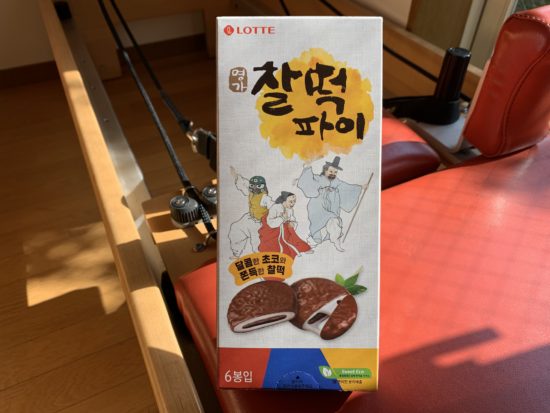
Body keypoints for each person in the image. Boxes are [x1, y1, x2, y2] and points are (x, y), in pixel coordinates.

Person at [297, 156, 363, 252]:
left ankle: (335, 241)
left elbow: (347, 188)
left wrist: (361, 187)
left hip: (331, 207)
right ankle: (310, 245)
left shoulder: (337, 182)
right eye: (331, 171)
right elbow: (308, 180)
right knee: (321, 226)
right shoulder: (318, 178)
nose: (333, 174)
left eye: (335, 172)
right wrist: (308, 166)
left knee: (332, 222)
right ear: (325, 170)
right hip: (318, 207)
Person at [228, 166, 272, 258]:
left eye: (258, 186)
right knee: (236, 229)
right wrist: (236, 176)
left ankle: (261, 257)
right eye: (252, 186)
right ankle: (236, 252)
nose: (255, 188)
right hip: (250, 217)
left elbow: (273, 206)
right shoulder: (251, 192)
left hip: (260, 222)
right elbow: (244, 184)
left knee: (257, 241)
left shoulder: (265, 197)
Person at [258, 191, 311, 259]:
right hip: (273, 231)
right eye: (290, 202)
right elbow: (270, 223)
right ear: (284, 201)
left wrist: (292, 223)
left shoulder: (290, 210)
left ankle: (302, 249)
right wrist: (282, 218)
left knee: (291, 238)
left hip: (284, 230)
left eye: (294, 201)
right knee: (273, 247)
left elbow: (292, 219)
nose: (293, 204)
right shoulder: (275, 208)